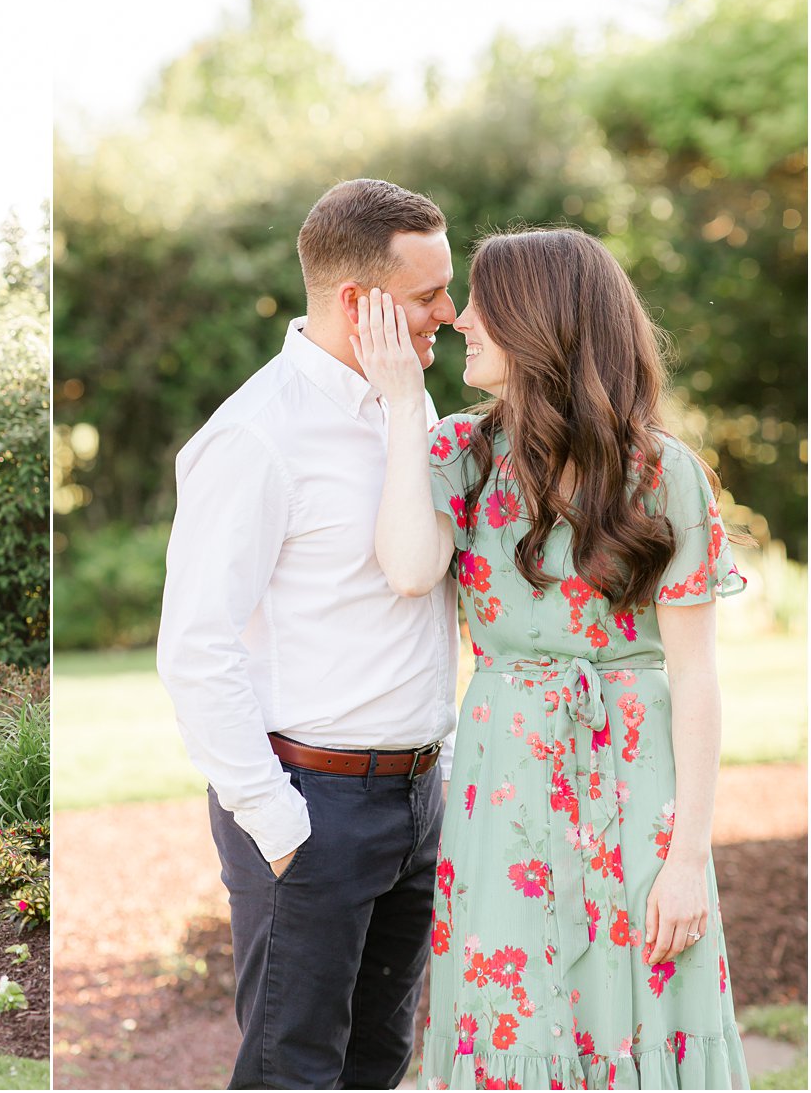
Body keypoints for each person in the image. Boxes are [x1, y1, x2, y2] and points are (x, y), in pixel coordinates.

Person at [353, 227, 749, 1088]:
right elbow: (413, 569)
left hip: (638, 786)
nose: (460, 319)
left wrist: (686, 861)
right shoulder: (461, 451)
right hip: (506, 788)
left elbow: (696, 677)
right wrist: (396, 405)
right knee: (513, 1016)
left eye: (483, 303)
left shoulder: (664, 472)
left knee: (643, 1006)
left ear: (541, 321)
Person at [157, 178, 460, 1089]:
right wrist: (278, 822)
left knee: (376, 1064)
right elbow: (194, 647)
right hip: (311, 805)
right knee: (295, 1072)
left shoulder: (410, 405)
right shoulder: (257, 435)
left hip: (415, 800)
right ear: (357, 303)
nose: (450, 311)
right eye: (426, 296)